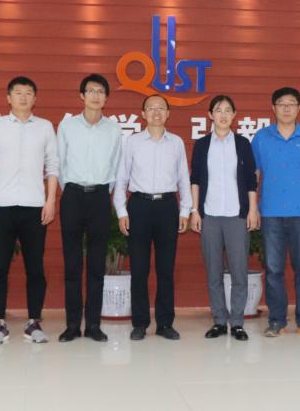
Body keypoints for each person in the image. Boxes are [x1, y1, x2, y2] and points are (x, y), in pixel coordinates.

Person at [0, 76, 59, 345]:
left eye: (28, 93)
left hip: (34, 206)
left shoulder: (45, 127)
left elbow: (52, 166)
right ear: (8, 97)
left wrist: (50, 200)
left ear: (35, 98)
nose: (23, 97)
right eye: (18, 92)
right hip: (2, 206)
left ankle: (34, 321)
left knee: (35, 267)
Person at [114, 94, 192, 341]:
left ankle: (165, 323)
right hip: (139, 206)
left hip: (167, 206)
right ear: (143, 113)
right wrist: (122, 211)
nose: (156, 112)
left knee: (165, 269)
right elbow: (121, 178)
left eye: (161, 108)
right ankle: (139, 323)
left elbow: (184, 178)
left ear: (168, 113)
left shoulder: (176, 143)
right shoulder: (132, 142)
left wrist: (185, 210)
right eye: (151, 108)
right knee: (139, 268)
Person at [251, 87, 300, 338]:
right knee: (273, 269)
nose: (286, 108)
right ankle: (276, 320)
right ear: (273, 108)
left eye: (291, 103)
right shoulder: (261, 137)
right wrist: (253, 208)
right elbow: (254, 175)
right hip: (270, 213)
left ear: (298, 108)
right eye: (281, 103)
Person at [56, 74, 122, 343]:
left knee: (96, 265)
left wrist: (103, 192)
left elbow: (116, 166)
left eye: (100, 91)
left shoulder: (114, 130)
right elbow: (60, 165)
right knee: (72, 265)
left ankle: (94, 324)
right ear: (82, 96)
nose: (96, 95)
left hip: (100, 198)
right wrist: (71, 190)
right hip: (72, 196)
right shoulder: (67, 126)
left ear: (106, 98)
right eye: (91, 91)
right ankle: (72, 325)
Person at [189, 95, 259, 342]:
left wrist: (252, 210)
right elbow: (195, 180)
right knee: (213, 271)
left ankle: (237, 322)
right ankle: (219, 320)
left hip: (236, 216)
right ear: (210, 115)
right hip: (209, 215)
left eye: (228, 110)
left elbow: (250, 180)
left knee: (239, 271)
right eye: (218, 110)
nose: (223, 115)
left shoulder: (242, 143)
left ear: (234, 115)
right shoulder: (202, 145)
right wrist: (195, 210)